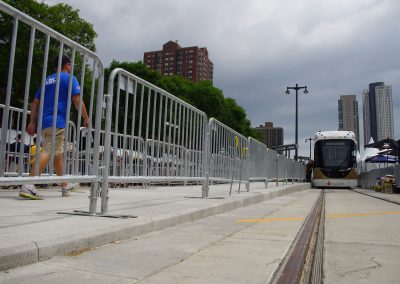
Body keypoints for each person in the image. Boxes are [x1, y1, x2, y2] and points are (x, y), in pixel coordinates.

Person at [19, 55, 90, 200]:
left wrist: (32, 122)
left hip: (44, 122)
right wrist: (86, 117)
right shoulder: (69, 78)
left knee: (58, 154)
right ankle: (29, 184)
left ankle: (65, 186)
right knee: (48, 150)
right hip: (58, 121)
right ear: (67, 65)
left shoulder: (46, 80)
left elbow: (34, 102)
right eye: (71, 64)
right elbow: (77, 99)